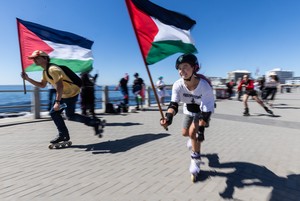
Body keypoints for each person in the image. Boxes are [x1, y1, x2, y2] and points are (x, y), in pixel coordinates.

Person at [21, 50, 104, 144]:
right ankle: (93, 122)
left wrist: (57, 102)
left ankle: (63, 135)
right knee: (70, 115)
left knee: (54, 113)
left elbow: (59, 86)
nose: (34, 60)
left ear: (45, 59)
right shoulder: (45, 71)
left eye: (37, 58)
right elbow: (42, 85)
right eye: (33, 58)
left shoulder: (53, 69)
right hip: (67, 93)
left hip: (69, 93)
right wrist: (27, 78)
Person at [159, 53, 215, 182]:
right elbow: (173, 104)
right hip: (188, 110)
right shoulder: (178, 85)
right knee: (185, 133)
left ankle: (195, 160)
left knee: (193, 133)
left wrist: (201, 130)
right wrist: (168, 119)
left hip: (202, 112)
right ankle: (193, 140)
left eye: (185, 67)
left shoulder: (205, 86)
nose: (181, 70)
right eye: (179, 68)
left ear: (194, 68)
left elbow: (206, 111)